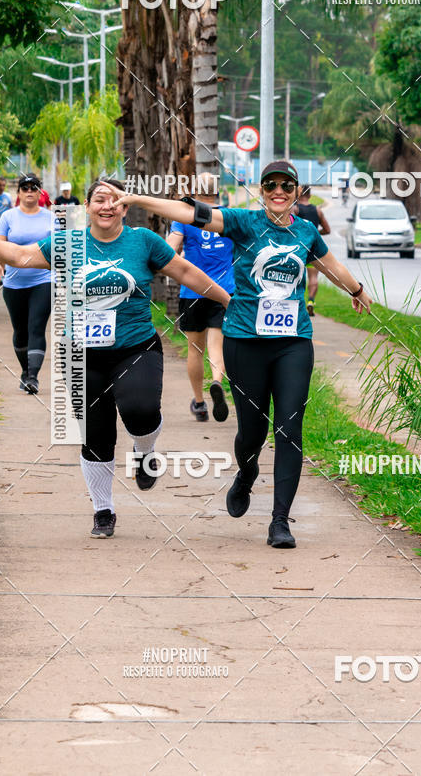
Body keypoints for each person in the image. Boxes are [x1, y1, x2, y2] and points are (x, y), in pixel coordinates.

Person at [106, 160, 372, 549]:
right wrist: (134, 197)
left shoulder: (306, 232)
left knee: (289, 430)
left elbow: (329, 265)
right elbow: (190, 212)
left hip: (292, 343)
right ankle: (246, 473)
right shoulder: (244, 223)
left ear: (297, 191)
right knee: (251, 432)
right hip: (245, 341)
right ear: (261, 191)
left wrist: (356, 289)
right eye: (270, 186)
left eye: (286, 185)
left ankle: (280, 521)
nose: (278, 191)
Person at [0, 178, 231, 539]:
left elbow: (186, 271)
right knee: (96, 435)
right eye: (100, 200)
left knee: (140, 409)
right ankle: (103, 510)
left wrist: (228, 301)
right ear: (87, 207)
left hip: (135, 346)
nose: (107, 206)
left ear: (126, 208)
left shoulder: (143, 241)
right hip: (82, 355)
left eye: (116, 201)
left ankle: (145, 453)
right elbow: (20, 256)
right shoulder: (68, 243)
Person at [167, 173, 234, 423]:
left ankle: (199, 402)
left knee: (195, 350)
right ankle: (216, 382)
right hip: (224, 291)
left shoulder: (185, 216)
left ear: (195, 190)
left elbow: (170, 249)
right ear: (218, 191)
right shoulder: (228, 216)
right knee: (218, 346)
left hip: (192, 291)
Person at [0, 174, 53, 394]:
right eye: (25, 188)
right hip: (14, 283)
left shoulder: (52, 218)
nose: (29, 191)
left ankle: (33, 377)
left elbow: (63, 246)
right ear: (19, 193)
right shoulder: (8, 217)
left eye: (34, 188)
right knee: (20, 332)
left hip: (44, 280)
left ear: (40, 192)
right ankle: (25, 371)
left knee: (36, 326)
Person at [296, 185, 331, 317]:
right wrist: (315, 234)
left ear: (298, 195)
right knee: (313, 278)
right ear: (310, 196)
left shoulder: (296, 209)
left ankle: (296, 304)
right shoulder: (317, 210)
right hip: (312, 249)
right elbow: (327, 230)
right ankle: (310, 301)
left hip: (297, 249)